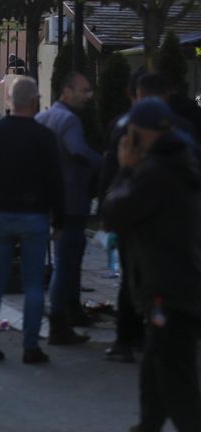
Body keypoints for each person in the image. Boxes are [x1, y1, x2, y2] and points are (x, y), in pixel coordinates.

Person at [102, 97, 201, 432]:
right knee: (156, 366)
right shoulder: (181, 160)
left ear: (140, 135)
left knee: (176, 377)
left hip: (168, 288)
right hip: (176, 282)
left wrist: (124, 169)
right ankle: (148, 424)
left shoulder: (154, 173)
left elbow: (114, 214)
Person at [0, 77, 64, 364]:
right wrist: (58, 220)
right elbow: (56, 182)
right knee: (34, 285)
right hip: (35, 218)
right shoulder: (45, 137)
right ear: (35, 100)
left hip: (0, 216)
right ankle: (30, 347)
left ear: (9, 100)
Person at [35, 71, 102, 344]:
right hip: (72, 200)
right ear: (66, 91)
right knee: (67, 261)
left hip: (47, 199)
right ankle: (60, 320)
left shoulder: (43, 118)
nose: (89, 96)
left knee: (65, 259)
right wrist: (105, 162)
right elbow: (78, 151)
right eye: (84, 90)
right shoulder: (70, 120)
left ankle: (71, 311)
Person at [98, 71, 147, 363]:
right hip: (156, 215)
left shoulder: (122, 126)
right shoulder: (177, 127)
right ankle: (140, 333)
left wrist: (106, 210)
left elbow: (109, 171)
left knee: (131, 277)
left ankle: (126, 337)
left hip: (131, 212)